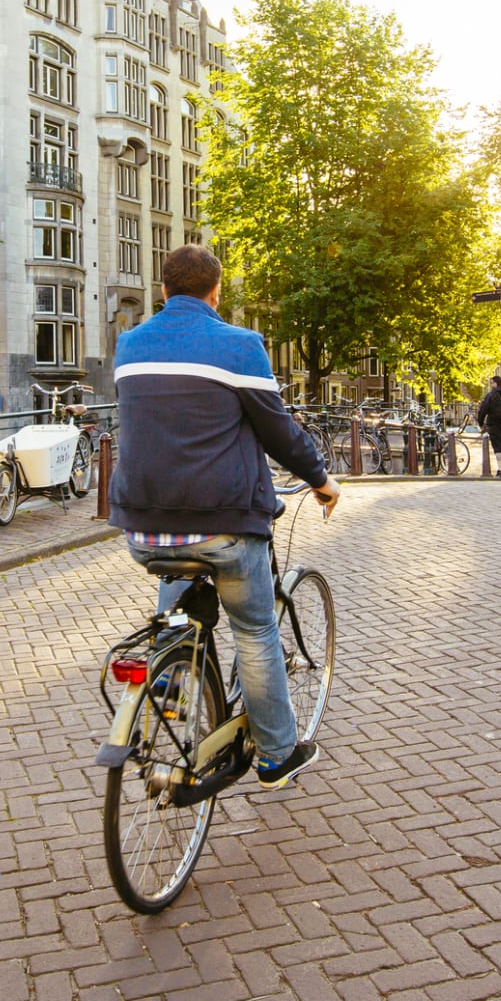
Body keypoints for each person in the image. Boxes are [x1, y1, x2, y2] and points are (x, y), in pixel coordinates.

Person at [110, 245, 339, 789]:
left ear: (163, 291)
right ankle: (277, 756)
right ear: (216, 293)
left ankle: (167, 688)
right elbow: (277, 431)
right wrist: (321, 481)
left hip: (143, 527)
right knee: (255, 629)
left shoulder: (128, 345)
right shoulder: (240, 345)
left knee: (177, 601)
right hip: (224, 523)